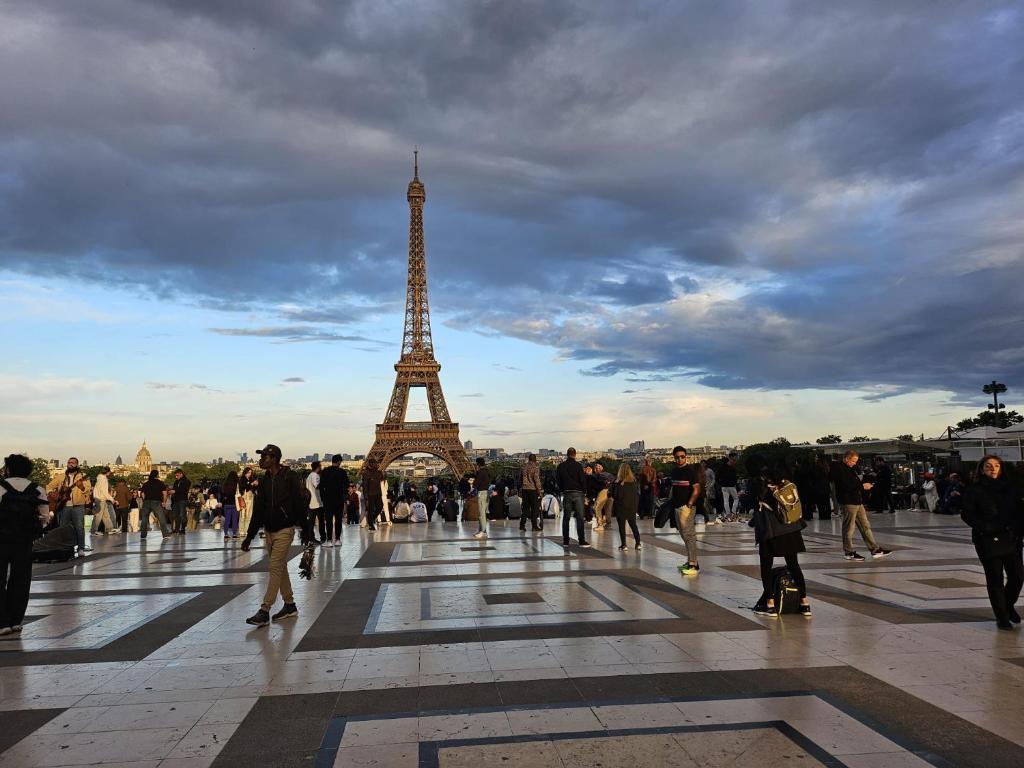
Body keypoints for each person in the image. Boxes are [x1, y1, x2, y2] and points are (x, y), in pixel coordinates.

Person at [242, 444, 304, 627]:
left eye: (264, 457)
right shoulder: (264, 480)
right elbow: (259, 510)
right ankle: (290, 605)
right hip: (269, 530)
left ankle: (264, 610)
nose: (261, 460)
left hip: (285, 529)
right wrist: (249, 535)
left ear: (274, 458)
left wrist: (307, 531)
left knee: (275, 567)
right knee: (281, 567)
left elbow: (299, 503)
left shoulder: (290, 477)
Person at [961, 455, 1024, 630]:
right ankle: (1002, 616)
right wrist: (985, 527)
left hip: (1012, 538)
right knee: (995, 577)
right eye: (988, 466)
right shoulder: (975, 489)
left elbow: (1020, 511)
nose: (993, 469)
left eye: (996, 465)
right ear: (982, 469)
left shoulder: (1011, 488)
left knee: (1018, 576)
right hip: (987, 539)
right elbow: (967, 514)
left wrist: (1019, 530)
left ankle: (1008, 605)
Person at [748, 458, 811, 617]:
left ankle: (770, 604)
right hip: (791, 529)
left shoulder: (759, 484)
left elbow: (752, 504)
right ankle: (804, 603)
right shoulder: (784, 482)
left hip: (771, 531)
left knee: (766, 566)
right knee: (794, 565)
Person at [0, 454, 50, 636]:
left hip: (2, 540)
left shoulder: (0, 488)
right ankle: (16, 620)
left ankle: (2, 621)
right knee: (21, 579)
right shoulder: (37, 489)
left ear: (9, 469)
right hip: (24, 541)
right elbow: (45, 517)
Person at [833, 451, 892, 561]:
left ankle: (875, 549)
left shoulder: (850, 468)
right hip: (848, 502)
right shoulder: (839, 469)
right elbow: (845, 486)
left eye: (855, 461)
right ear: (846, 459)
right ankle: (849, 552)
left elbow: (853, 482)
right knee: (849, 528)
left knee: (865, 525)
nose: (854, 463)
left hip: (856, 501)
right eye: (853, 461)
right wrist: (862, 486)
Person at [47, 458, 91, 555]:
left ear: (77, 465)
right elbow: (49, 486)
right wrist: (51, 493)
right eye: (69, 462)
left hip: (78, 506)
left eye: (73, 463)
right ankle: (66, 547)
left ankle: (81, 548)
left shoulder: (83, 477)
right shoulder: (61, 476)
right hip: (64, 505)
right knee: (63, 527)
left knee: (79, 527)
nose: (70, 464)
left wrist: (82, 487)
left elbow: (88, 490)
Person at [670, 446, 702, 575]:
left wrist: (689, 504)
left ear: (686, 457)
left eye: (682, 457)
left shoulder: (690, 471)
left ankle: (693, 565)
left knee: (689, 536)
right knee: (684, 535)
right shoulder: (674, 471)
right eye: (677, 457)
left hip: (686, 507)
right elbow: (674, 488)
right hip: (677, 506)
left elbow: (697, 488)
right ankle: (691, 561)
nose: (679, 459)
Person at [555, 448, 589, 547]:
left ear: (567, 454)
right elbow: (583, 480)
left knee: (566, 517)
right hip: (578, 493)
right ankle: (581, 540)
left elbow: (558, 480)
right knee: (579, 517)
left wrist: (562, 489)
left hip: (567, 493)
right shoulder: (578, 466)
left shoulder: (561, 466)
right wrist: (584, 491)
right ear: (575, 455)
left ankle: (566, 541)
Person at [319, 455, 349, 546]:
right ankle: (337, 539)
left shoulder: (325, 471)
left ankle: (328, 540)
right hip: (339, 499)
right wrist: (344, 498)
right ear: (339, 461)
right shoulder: (342, 472)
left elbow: (321, 486)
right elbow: (346, 485)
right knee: (338, 519)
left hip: (328, 499)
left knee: (328, 520)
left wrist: (323, 498)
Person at [610, 462, 641, 550]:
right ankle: (638, 543)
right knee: (633, 525)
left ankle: (624, 545)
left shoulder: (618, 483)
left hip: (621, 507)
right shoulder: (634, 482)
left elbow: (615, 495)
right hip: (632, 507)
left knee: (622, 527)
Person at [139, 469, 170, 540]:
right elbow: (165, 494)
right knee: (161, 518)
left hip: (146, 502)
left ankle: (143, 535)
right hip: (156, 502)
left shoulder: (146, 483)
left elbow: (142, 493)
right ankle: (165, 534)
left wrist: (144, 500)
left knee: (144, 519)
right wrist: (164, 502)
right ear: (157, 475)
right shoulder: (160, 483)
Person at [91, 467, 116, 536]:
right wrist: (112, 499)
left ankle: (110, 529)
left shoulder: (99, 478)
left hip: (99, 499)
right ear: (107, 472)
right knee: (98, 515)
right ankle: (93, 531)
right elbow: (105, 492)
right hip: (101, 499)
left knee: (106, 515)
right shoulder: (104, 480)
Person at [520, 454, 542, 532]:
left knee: (525, 508)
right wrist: (539, 490)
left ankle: (522, 525)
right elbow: (536, 479)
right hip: (532, 489)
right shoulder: (535, 467)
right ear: (535, 459)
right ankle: (534, 526)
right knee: (534, 508)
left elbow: (520, 478)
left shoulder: (524, 467)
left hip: (524, 489)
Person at [362, 459, 385, 531]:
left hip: (378, 493)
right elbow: (365, 486)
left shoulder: (378, 472)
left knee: (380, 507)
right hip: (370, 494)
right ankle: (371, 524)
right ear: (371, 464)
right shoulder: (366, 473)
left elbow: (383, 478)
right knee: (370, 509)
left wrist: (383, 473)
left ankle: (372, 519)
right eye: (376, 463)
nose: (377, 465)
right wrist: (366, 497)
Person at [305, 461, 323, 545]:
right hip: (316, 502)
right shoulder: (315, 475)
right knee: (320, 521)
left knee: (311, 522)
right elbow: (317, 486)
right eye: (320, 466)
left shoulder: (309, 476)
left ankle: (310, 538)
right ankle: (317, 537)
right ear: (318, 467)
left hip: (310, 502)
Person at [718, 452, 739, 522]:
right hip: (731, 486)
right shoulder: (733, 468)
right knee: (736, 499)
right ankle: (733, 512)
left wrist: (720, 483)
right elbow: (735, 478)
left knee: (726, 500)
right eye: (734, 459)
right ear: (730, 458)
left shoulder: (722, 467)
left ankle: (728, 514)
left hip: (724, 486)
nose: (735, 461)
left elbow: (717, 477)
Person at [473, 457, 491, 539]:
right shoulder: (487, 471)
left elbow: (476, 483)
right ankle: (481, 530)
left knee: (481, 514)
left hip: (482, 493)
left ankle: (483, 531)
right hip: (486, 492)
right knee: (482, 513)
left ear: (478, 464)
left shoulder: (480, 472)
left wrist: (472, 483)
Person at [170, 469, 191, 535]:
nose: (176, 477)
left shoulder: (187, 481)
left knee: (182, 515)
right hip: (176, 500)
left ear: (181, 474)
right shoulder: (176, 481)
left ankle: (183, 529)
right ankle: (177, 529)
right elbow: (174, 489)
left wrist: (175, 491)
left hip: (182, 500)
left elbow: (184, 490)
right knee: (175, 515)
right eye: (175, 475)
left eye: (177, 475)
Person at [222, 471, 240, 540]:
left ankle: (226, 534)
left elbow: (223, 494)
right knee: (234, 520)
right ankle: (234, 534)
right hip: (235, 504)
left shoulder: (225, 484)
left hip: (227, 504)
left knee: (227, 520)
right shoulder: (237, 484)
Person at [238, 467, 255, 534]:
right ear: (245, 473)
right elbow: (244, 488)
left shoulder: (252, 479)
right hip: (244, 498)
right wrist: (251, 484)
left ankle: (246, 530)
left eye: (250, 473)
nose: (249, 474)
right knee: (242, 515)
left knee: (249, 515)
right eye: (248, 473)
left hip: (250, 498)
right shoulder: (242, 479)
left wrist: (255, 484)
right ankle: (241, 530)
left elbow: (254, 489)